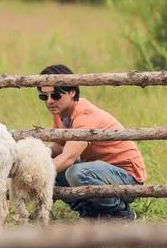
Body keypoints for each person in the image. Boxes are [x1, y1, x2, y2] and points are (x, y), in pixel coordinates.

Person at [36, 64, 147, 222]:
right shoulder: (60, 111)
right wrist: (40, 158)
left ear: (72, 92)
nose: (49, 101)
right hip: (99, 171)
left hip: (128, 178)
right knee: (52, 166)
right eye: (43, 96)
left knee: (75, 172)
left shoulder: (84, 116)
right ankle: (92, 213)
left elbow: (68, 157)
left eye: (55, 95)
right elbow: (59, 145)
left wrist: (37, 174)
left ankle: (120, 213)